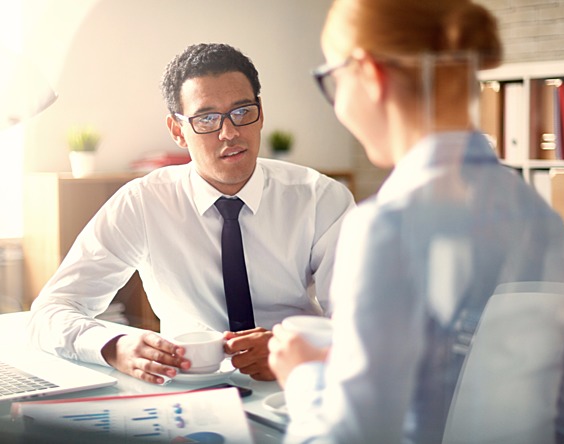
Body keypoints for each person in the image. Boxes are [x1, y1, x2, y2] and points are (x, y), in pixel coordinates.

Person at [268, 0, 564, 443]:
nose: (337, 105)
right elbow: (561, 414)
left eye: (333, 82)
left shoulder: (386, 227)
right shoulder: (549, 225)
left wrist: (303, 376)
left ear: (367, 73)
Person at [27, 43, 355, 384]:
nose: (229, 133)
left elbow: (363, 320)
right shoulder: (143, 202)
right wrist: (113, 346)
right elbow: (49, 312)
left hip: (298, 381)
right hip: (188, 387)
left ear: (261, 112)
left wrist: (304, 347)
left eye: (242, 112)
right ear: (177, 130)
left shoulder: (319, 197)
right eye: (207, 119)